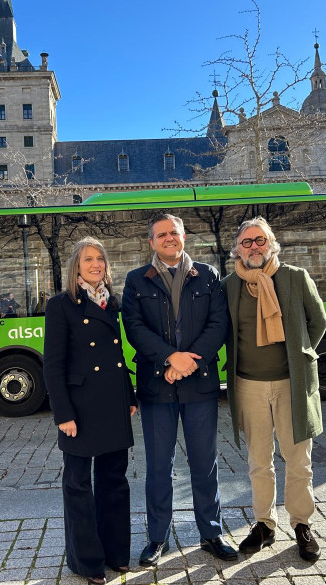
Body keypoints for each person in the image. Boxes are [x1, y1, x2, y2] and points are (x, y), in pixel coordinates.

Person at [122, 213, 236, 566]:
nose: (169, 238)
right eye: (161, 234)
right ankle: (158, 538)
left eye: (174, 232)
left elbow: (219, 324)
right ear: (152, 242)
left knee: (205, 464)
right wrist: (170, 359)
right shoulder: (136, 280)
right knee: (158, 466)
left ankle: (212, 532)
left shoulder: (208, 275)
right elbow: (134, 328)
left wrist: (190, 361)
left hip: (199, 384)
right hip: (157, 387)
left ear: (184, 236)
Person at [221, 216, 326, 561]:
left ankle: (302, 525)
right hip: (248, 386)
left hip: (291, 385)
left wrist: (300, 357)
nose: (254, 246)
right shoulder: (229, 286)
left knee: (298, 459)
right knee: (258, 461)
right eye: (247, 241)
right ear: (237, 248)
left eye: (260, 240)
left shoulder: (294, 278)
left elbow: (319, 321)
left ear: (272, 244)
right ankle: (265, 525)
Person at [43, 237, 137, 585]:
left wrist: (129, 395)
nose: (95, 264)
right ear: (76, 267)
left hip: (112, 403)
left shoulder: (112, 302)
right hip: (79, 411)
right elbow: (53, 366)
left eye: (100, 259)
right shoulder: (61, 305)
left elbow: (117, 357)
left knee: (115, 481)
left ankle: (116, 553)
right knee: (78, 486)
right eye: (87, 260)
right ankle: (87, 561)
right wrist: (62, 414)